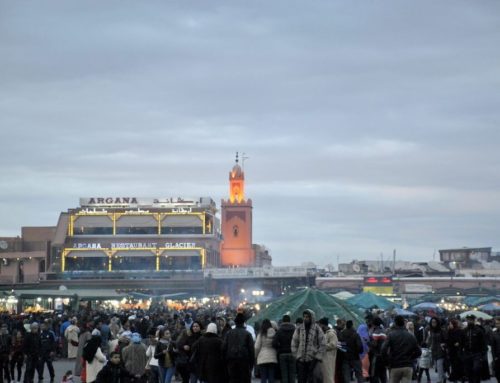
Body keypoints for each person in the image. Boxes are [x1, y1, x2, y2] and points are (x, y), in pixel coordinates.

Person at [381, 315, 421, 383]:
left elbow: (383, 349)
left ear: (395, 323)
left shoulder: (391, 335)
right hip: (407, 365)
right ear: (404, 323)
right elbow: (418, 352)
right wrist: (411, 358)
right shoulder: (410, 336)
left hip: (395, 365)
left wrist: (387, 362)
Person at [291, 309, 326, 383]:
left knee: (312, 380)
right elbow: (294, 342)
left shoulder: (317, 329)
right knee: (301, 380)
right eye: (304, 317)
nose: (305, 318)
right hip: (301, 361)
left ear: (311, 318)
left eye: (307, 317)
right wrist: (297, 356)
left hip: (313, 360)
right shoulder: (299, 328)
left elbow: (322, 344)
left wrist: (317, 357)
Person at [223, 312, 255, 383]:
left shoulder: (229, 333)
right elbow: (251, 350)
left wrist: (225, 362)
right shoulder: (247, 334)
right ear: (243, 322)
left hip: (231, 362)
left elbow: (224, 348)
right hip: (244, 362)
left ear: (235, 322)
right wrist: (251, 364)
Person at [461, 314, 487, 383]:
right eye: (468, 320)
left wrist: (483, 355)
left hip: (477, 354)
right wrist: (461, 353)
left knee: (476, 369)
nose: (469, 321)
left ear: (474, 320)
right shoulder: (464, 331)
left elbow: (483, 343)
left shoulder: (479, 330)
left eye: (471, 320)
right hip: (467, 354)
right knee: (469, 371)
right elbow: (461, 343)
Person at [272, 314, 297, 383]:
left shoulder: (279, 331)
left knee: (284, 375)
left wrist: (279, 348)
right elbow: (298, 341)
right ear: (290, 321)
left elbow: (274, 343)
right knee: (292, 374)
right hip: (292, 353)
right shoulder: (295, 330)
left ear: (283, 321)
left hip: (282, 354)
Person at [255, 318, 278, 383]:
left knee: (263, 378)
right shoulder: (275, 333)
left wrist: (255, 355)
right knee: (271, 377)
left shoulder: (261, 334)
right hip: (272, 357)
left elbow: (257, 347)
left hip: (262, 358)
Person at [426, 317, 447, 383]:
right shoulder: (431, 331)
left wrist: (444, 344)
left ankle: (440, 380)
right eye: (432, 322)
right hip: (433, 350)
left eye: (434, 322)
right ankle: (444, 377)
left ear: (437, 323)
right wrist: (427, 345)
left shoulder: (442, 331)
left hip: (440, 350)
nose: (433, 323)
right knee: (437, 367)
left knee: (439, 365)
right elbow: (429, 341)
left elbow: (447, 340)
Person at [319, 317, 338, 383]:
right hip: (323, 359)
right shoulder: (324, 333)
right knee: (324, 376)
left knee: (328, 376)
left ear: (323, 325)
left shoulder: (331, 334)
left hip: (329, 359)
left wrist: (322, 346)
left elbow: (333, 344)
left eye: (320, 325)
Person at [369, 317, 387, 383]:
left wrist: (367, 342)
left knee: (374, 374)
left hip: (376, 356)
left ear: (374, 323)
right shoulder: (384, 331)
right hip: (383, 356)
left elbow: (374, 344)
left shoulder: (375, 332)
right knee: (383, 374)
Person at [447, 319, 464, 383]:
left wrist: (459, 343)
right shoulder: (449, 331)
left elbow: (462, 340)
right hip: (452, 351)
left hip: (458, 351)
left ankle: (459, 377)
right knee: (453, 365)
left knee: (457, 365)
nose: (449, 325)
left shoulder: (459, 331)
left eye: (451, 324)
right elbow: (448, 340)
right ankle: (455, 378)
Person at [491, 316, 500, 383]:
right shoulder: (494, 333)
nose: (497, 325)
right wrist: (494, 357)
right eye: (496, 323)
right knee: (497, 374)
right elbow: (493, 347)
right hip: (498, 357)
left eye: (498, 323)